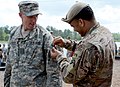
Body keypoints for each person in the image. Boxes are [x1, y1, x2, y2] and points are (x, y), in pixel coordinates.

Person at [50, 2, 115, 87]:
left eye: (73, 26)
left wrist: (59, 57)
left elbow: (68, 76)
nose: (74, 30)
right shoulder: (106, 33)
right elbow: (90, 52)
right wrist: (66, 43)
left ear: (81, 22)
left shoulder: (87, 45)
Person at [4, 1, 62, 87]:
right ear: (20, 15)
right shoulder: (13, 35)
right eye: (30, 16)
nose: (34, 20)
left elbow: (54, 73)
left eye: (36, 16)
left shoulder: (45, 37)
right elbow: (9, 67)